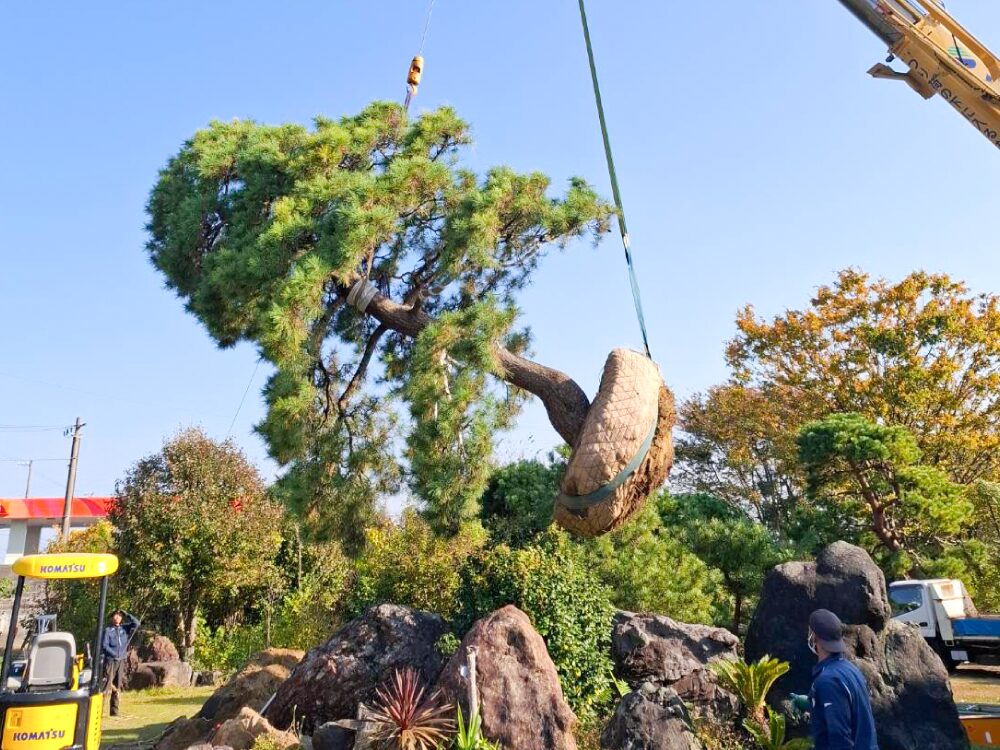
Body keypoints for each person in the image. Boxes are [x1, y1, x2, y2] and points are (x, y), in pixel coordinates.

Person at [793, 609, 879, 750]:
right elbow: (847, 710)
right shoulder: (850, 670)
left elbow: (840, 738)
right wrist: (812, 704)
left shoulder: (828, 681)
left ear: (814, 637)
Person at [101, 609, 139, 716]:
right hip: (111, 661)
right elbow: (104, 646)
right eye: (115, 616)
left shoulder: (124, 628)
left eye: (119, 616)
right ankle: (99, 711)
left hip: (121, 661)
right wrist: (114, 654)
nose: (117, 617)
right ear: (111, 618)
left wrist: (127, 614)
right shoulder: (108, 630)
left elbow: (137, 623)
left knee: (117, 686)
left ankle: (114, 711)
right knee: (106, 685)